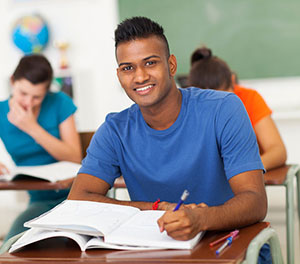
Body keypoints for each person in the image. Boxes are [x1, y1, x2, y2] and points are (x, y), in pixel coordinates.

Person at [0, 54, 82, 241]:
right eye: (23, 93)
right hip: (39, 201)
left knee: (68, 246)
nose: (28, 103)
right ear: (13, 82)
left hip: (75, 195)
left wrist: (31, 128)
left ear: (47, 92)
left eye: (37, 97)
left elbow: (74, 157)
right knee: (10, 247)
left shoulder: (60, 102)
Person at [188, 47, 287, 171]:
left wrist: (246, 169)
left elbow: (278, 151)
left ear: (233, 81)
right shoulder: (189, 106)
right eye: (210, 103)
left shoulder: (250, 98)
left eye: (224, 99)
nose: (219, 108)